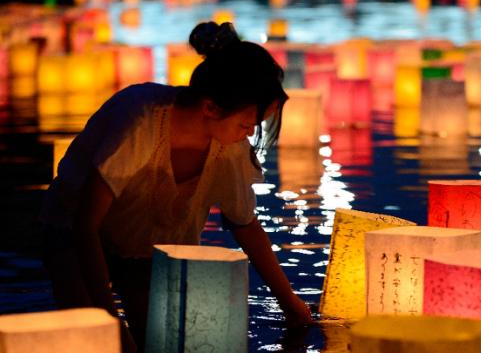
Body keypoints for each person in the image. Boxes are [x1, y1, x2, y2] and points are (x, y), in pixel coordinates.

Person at [39, 21, 313, 353]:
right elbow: (86, 225)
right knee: (96, 342)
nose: (248, 133)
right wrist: (109, 325)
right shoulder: (140, 121)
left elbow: (244, 223)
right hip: (72, 236)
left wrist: (290, 303)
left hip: (146, 249)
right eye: (245, 123)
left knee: (161, 342)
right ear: (210, 107)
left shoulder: (228, 144)